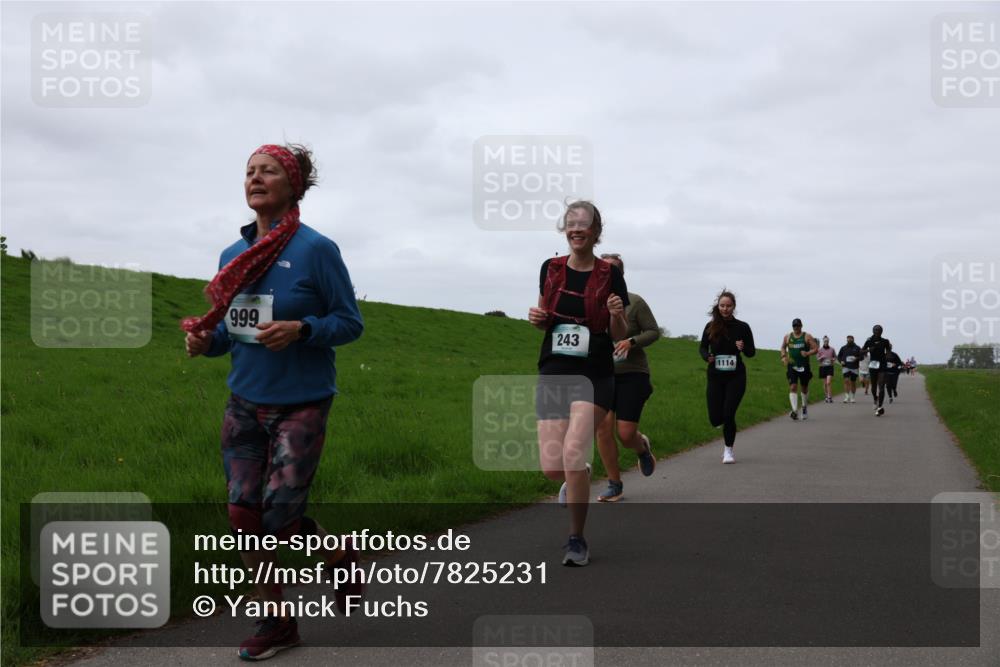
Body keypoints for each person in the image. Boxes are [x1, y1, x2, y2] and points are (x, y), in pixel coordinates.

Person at [183, 143, 365, 661]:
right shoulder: (231, 256)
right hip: (244, 400)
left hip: (301, 403)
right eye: (248, 172)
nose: (254, 178)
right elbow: (228, 333)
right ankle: (277, 621)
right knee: (243, 514)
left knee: (280, 517)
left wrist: (303, 328)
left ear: (293, 184)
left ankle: (339, 558)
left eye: (267, 171)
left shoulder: (316, 250)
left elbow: (350, 323)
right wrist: (204, 342)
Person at [527, 201, 629, 566]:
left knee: (572, 450)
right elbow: (544, 316)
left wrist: (617, 315)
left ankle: (576, 539)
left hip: (595, 369)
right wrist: (537, 318)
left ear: (596, 232)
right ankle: (580, 474)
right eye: (570, 223)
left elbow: (619, 332)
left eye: (583, 224)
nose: (576, 229)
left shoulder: (609, 274)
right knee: (554, 467)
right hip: (555, 368)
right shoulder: (550, 268)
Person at [593, 253, 659, 502]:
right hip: (602, 375)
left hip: (633, 374)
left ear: (620, 275)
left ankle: (641, 448)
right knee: (602, 429)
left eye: (610, 271)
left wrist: (631, 341)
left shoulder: (635, 302)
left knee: (625, 433)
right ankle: (614, 484)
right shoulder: (592, 302)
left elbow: (653, 331)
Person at [699, 290, 756, 463]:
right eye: (722, 306)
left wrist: (742, 347)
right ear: (718, 306)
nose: (725, 309)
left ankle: (728, 451)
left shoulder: (743, 327)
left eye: (728, 306)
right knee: (715, 418)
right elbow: (702, 348)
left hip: (736, 376)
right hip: (715, 376)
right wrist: (706, 356)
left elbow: (751, 352)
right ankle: (724, 425)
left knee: (729, 413)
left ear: (734, 307)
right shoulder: (710, 326)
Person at [781, 318, 818, 420]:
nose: (796, 328)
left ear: (801, 326)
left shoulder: (807, 336)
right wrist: (784, 357)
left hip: (804, 366)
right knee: (793, 387)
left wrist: (807, 353)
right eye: (794, 326)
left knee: (804, 388)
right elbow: (783, 347)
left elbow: (816, 348)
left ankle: (804, 407)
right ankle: (794, 410)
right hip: (792, 365)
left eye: (798, 326)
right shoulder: (788, 337)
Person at [861, 324, 892, 416]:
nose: (877, 332)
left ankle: (880, 407)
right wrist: (868, 350)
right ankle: (875, 398)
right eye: (876, 330)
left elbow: (888, 351)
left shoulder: (885, 341)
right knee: (874, 387)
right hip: (873, 365)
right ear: (873, 331)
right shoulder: (869, 341)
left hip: (882, 365)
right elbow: (861, 351)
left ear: (882, 332)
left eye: (879, 330)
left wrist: (887, 356)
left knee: (881, 386)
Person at [836, 335, 863, 403]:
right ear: (847, 340)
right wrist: (841, 361)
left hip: (854, 367)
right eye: (848, 339)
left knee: (853, 382)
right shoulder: (843, 348)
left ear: (853, 340)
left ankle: (853, 397)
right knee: (846, 380)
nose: (849, 340)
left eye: (851, 339)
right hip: (846, 366)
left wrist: (856, 358)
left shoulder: (857, 348)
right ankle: (846, 396)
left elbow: (862, 357)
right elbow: (839, 356)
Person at [816, 335, 837, 403]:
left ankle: (829, 397)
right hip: (822, 367)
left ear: (828, 341)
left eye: (827, 341)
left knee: (828, 382)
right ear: (823, 341)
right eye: (825, 341)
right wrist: (821, 357)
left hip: (830, 367)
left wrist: (832, 359)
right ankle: (826, 396)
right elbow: (817, 359)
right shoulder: (820, 350)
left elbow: (835, 357)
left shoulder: (832, 349)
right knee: (825, 383)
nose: (826, 342)